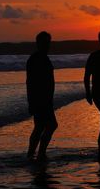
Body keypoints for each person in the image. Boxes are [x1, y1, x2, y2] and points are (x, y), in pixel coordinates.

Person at [26, 31, 58, 161]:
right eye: (44, 43)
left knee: (40, 127)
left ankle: (33, 154)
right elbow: (30, 82)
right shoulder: (36, 59)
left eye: (48, 43)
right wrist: (31, 102)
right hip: (40, 99)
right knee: (51, 125)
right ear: (38, 43)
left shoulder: (43, 57)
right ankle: (39, 153)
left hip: (45, 99)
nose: (47, 45)